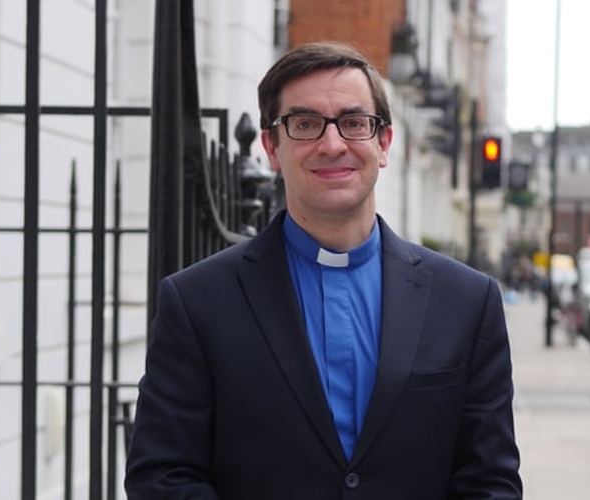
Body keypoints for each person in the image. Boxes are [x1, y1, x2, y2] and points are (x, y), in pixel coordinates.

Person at [124, 41, 522, 499]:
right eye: (306, 124)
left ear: (384, 142)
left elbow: (489, 481)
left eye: (353, 123)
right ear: (271, 147)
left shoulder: (468, 301)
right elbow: (162, 477)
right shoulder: (196, 302)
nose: (332, 144)